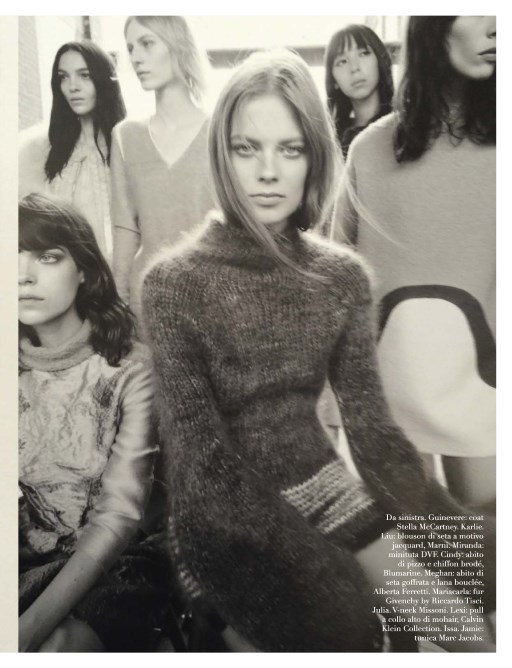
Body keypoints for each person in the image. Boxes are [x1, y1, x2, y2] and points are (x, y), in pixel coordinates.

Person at [142, 50, 495, 652]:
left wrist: (453, 537)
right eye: (246, 148)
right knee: (351, 631)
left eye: (291, 148)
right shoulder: (172, 284)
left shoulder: (341, 279)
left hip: (325, 486)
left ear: (315, 156)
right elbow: (202, 467)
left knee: (468, 632)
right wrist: (319, 565)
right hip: (222, 517)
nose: (268, 171)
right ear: (222, 154)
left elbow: (375, 438)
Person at [334, 17, 496, 508]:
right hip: (391, 392)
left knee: (491, 543)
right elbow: (335, 285)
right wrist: (332, 406)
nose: (497, 26)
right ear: (432, 24)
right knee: (421, 547)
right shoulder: (369, 151)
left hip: (487, 388)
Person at [18, 193, 170, 652]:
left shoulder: (130, 370)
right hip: (25, 557)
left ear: (84, 269)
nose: (23, 276)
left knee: (58, 647)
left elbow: (119, 517)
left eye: (47, 257)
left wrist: (22, 634)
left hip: (116, 561)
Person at [111, 15, 215, 324]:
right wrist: (120, 308)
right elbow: (125, 230)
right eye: (131, 48)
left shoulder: (222, 130)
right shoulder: (125, 136)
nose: (135, 58)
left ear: (177, 44)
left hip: (213, 300)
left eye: (147, 43)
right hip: (147, 302)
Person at [19, 41, 126, 260]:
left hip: (122, 270)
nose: (72, 87)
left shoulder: (129, 145)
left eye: (84, 75)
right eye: (63, 77)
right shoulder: (38, 152)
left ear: (103, 80)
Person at [325, 24, 393, 159]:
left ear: (380, 60)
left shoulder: (403, 126)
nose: (354, 68)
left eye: (363, 53)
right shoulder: (330, 140)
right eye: (342, 61)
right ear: (334, 80)